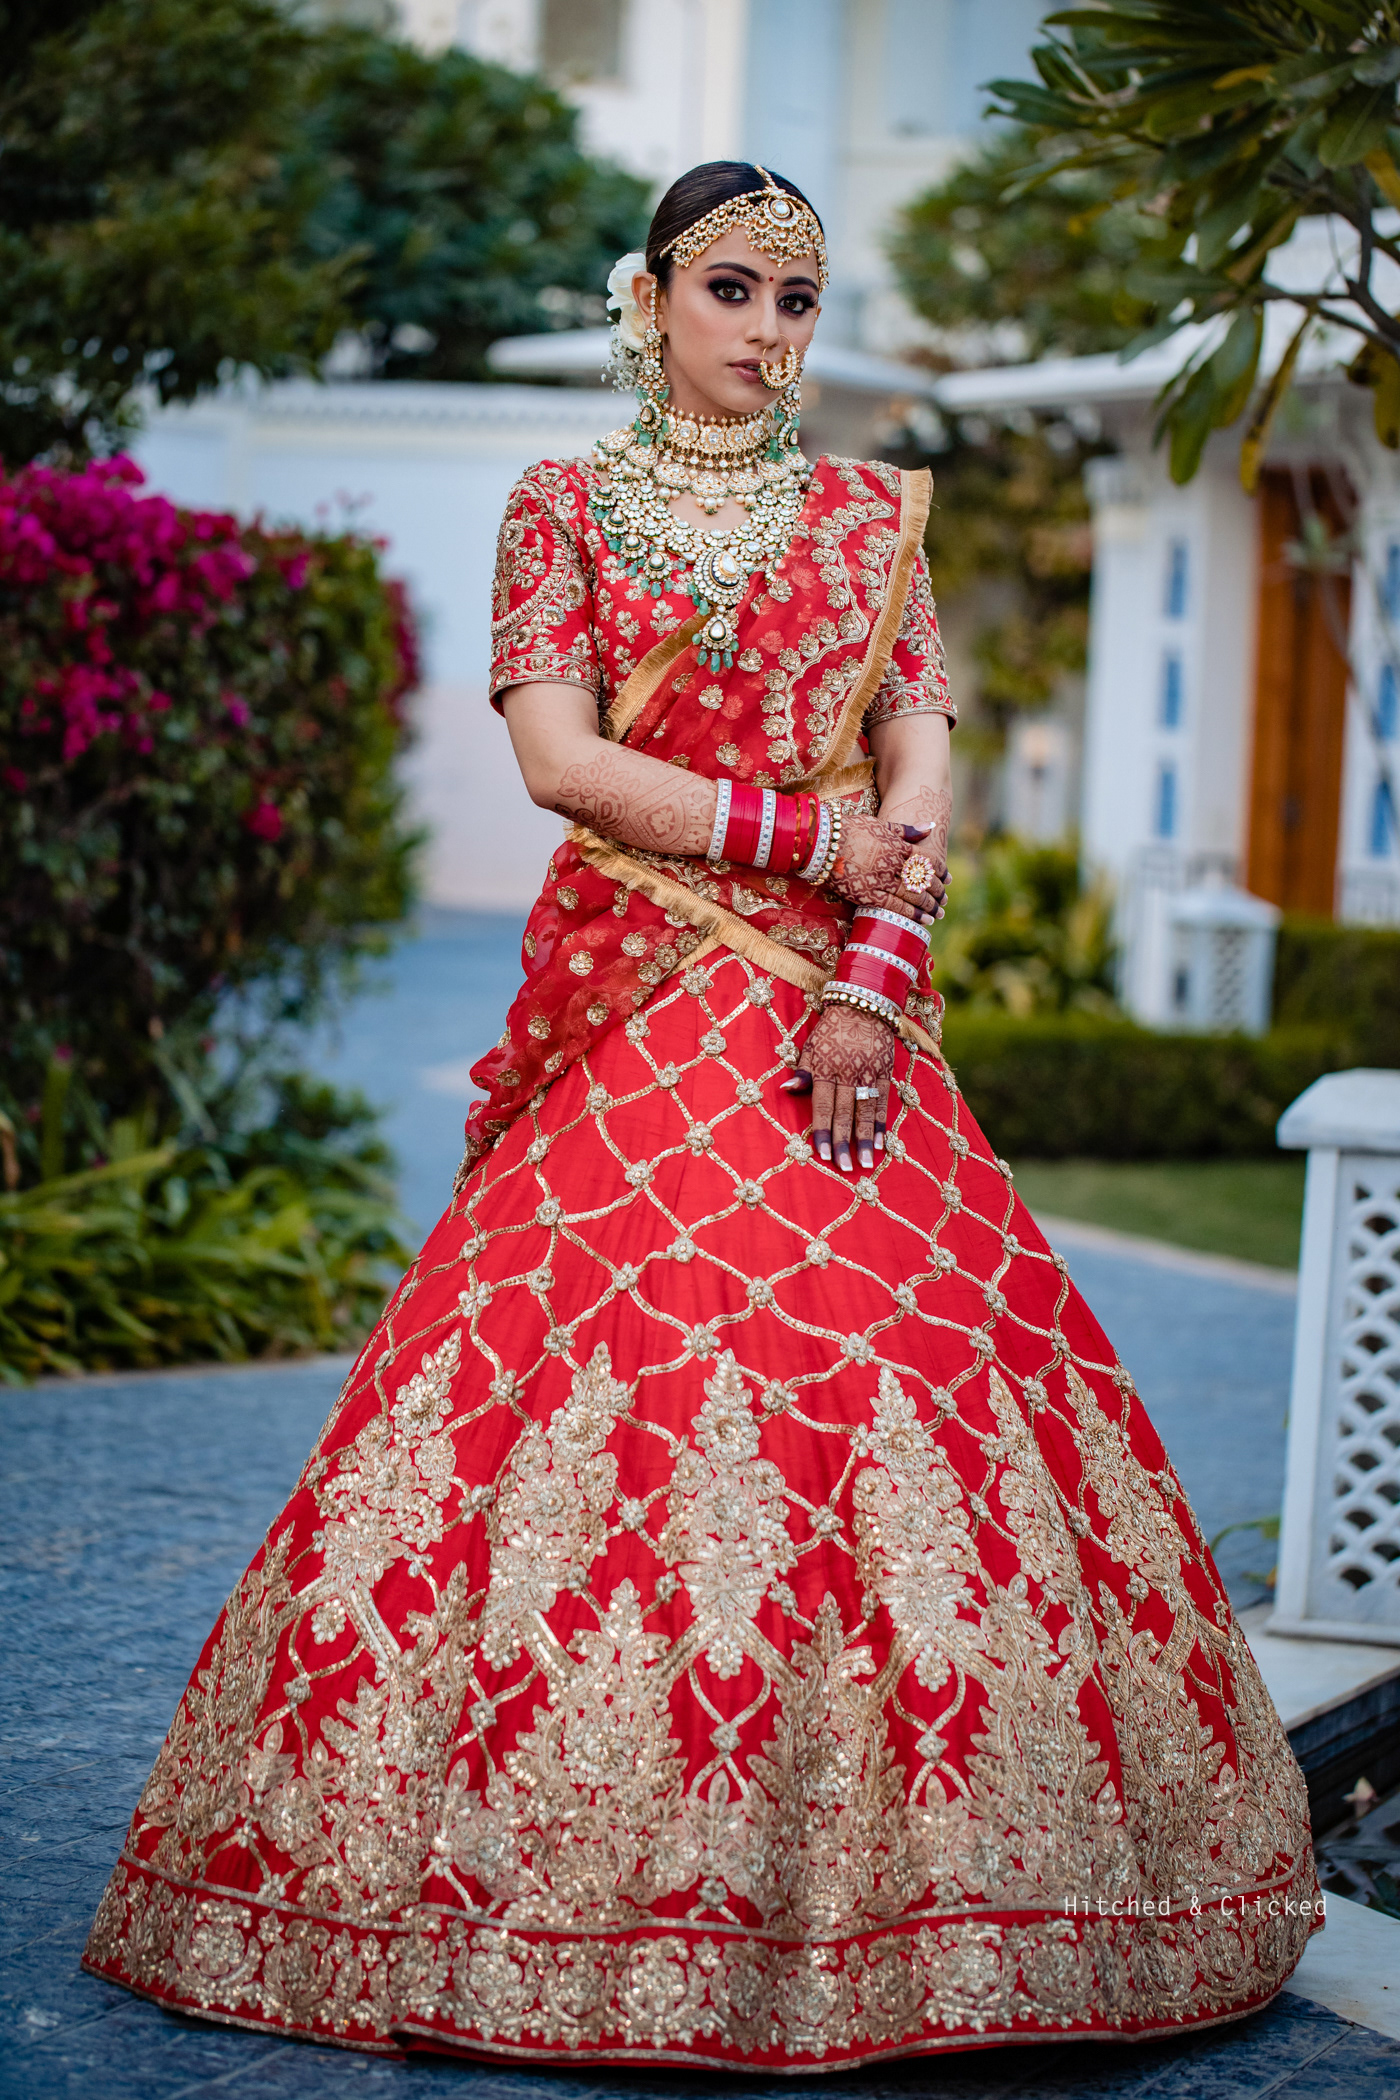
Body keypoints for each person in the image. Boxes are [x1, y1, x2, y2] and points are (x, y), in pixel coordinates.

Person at [85, 161, 1318, 2074]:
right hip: (646, 994)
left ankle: (968, 1905)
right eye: (731, 287)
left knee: (898, 1369)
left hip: (833, 1012)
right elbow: (559, 759)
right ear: (649, 297)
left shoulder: (870, 517)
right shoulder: (562, 500)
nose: (766, 328)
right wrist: (807, 844)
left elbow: (919, 767)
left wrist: (872, 981)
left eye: (796, 299)